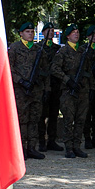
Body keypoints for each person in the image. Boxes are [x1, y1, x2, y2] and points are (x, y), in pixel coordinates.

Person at [51, 24, 91, 158]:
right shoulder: (63, 51)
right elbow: (55, 69)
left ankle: (77, 146)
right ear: (67, 35)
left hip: (82, 90)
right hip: (68, 91)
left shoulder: (82, 51)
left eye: (77, 32)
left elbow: (88, 70)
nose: (76, 34)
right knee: (69, 119)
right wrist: (67, 80)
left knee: (80, 119)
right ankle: (68, 147)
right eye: (73, 32)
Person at [8, 22, 44, 160]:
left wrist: (42, 86)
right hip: (21, 90)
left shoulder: (37, 49)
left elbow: (43, 69)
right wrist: (20, 81)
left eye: (32, 31)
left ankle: (32, 148)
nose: (30, 34)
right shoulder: (15, 48)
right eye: (27, 31)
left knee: (34, 119)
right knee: (22, 120)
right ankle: (20, 148)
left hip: (35, 90)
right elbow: (9, 68)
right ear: (21, 33)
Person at [37, 22, 63, 152]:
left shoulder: (57, 48)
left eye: (53, 30)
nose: (51, 32)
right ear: (43, 32)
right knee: (42, 114)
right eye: (49, 30)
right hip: (42, 86)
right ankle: (42, 140)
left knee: (54, 114)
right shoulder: (38, 48)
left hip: (55, 85)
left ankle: (52, 140)